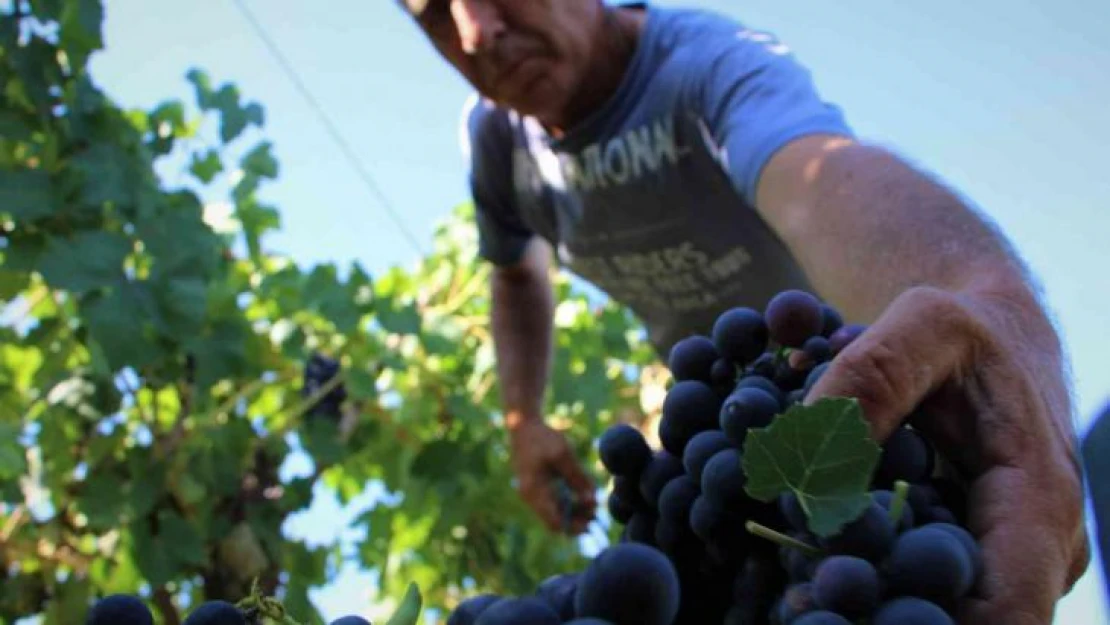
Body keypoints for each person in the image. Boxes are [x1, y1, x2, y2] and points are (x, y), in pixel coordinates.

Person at [400, 1, 1089, 622]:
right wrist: (522, 417)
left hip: (839, 419)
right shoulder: (498, 139)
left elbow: (823, 178)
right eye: (435, 15)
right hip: (711, 438)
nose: (475, 30)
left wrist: (987, 297)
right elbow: (516, 274)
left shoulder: (705, 67)